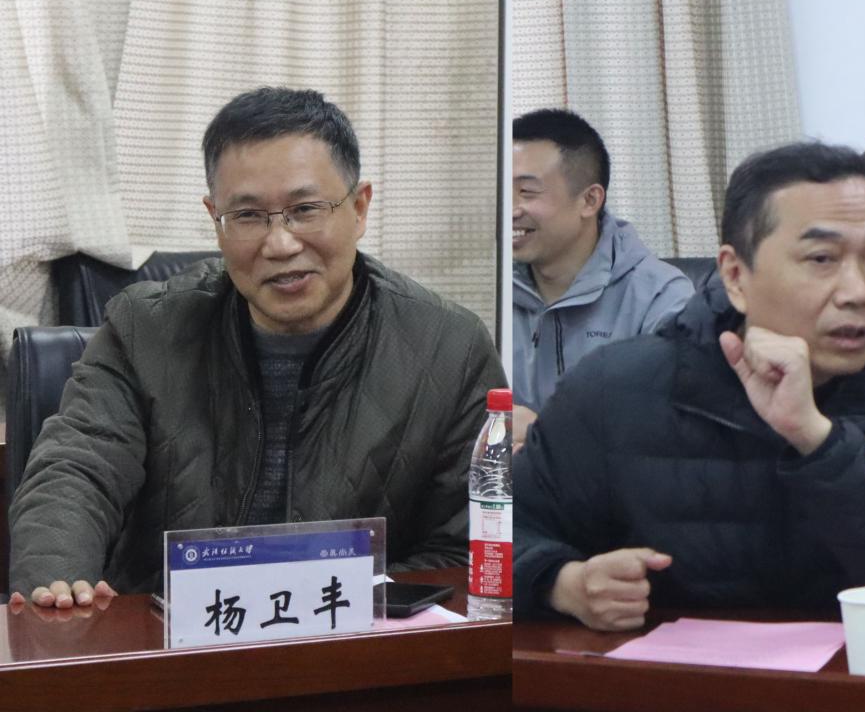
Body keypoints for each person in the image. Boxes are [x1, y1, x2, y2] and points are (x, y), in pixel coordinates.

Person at [10, 87, 506, 608]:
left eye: (306, 209)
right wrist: (57, 586)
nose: (281, 243)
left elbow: (464, 547)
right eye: (248, 216)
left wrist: (321, 610)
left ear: (359, 208)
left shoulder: (450, 349)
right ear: (216, 219)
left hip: (356, 639)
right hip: (166, 637)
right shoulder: (145, 329)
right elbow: (75, 469)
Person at [513, 142, 865, 631]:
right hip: (672, 673)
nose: (859, 293)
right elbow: (499, 536)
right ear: (735, 275)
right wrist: (563, 583)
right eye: (822, 259)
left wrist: (821, 440)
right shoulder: (618, 388)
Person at [512, 109, 693, 445]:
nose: (510, 210)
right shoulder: (491, 292)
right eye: (503, 192)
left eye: (526, 192)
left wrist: (545, 437)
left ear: (589, 200)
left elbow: (671, 434)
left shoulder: (661, 298)